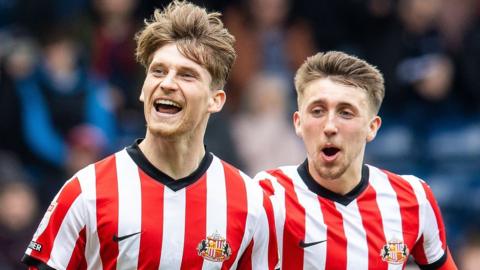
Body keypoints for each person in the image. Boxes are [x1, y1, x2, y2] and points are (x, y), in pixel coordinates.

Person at [22, 1, 277, 269]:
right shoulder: (86, 191)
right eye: (158, 71)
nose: (167, 83)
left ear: (216, 100)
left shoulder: (250, 202)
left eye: (187, 75)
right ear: (144, 90)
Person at [254, 51, 457, 269]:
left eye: (346, 113)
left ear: (372, 127)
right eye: (317, 111)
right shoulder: (267, 195)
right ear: (298, 122)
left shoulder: (413, 197)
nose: (330, 126)